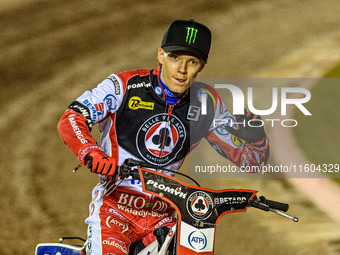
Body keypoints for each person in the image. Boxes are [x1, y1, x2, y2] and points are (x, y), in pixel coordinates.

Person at [57, 19, 269, 255]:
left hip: (166, 213)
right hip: (115, 207)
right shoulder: (122, 86)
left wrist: (258, 139)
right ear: (160, 55)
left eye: (192, 61)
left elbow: (252, 162)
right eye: (175, 57)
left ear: (202, 66)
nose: (182, 69)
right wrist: (90, 152)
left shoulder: (207, 104)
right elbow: (72, 117)